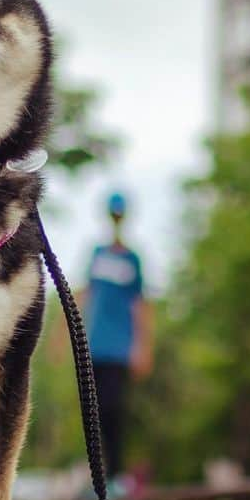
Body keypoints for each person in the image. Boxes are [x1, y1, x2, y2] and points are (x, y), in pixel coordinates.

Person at [82, 192, 153, 483]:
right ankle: (98, 477)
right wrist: (67, 337)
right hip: (94, 346)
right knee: (93, 411)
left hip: (119, 347)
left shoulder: (133, 259)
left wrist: (143, 346)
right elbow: (86, 295)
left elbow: (140, 304)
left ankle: (116, 474)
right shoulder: (97, 254)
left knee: (114, 409)